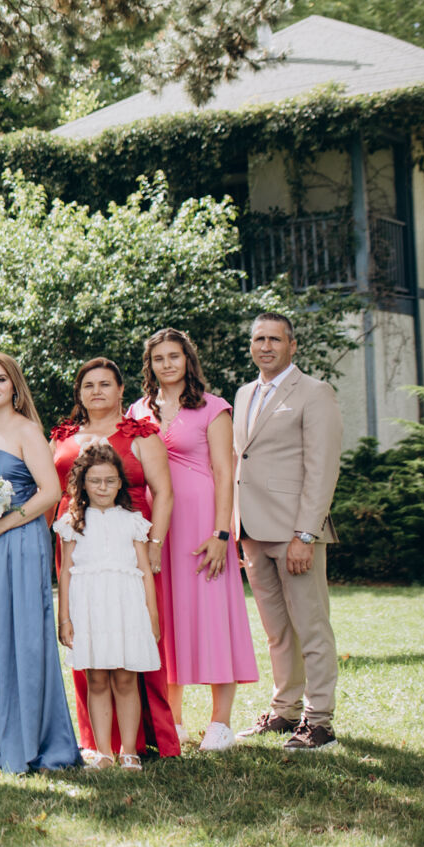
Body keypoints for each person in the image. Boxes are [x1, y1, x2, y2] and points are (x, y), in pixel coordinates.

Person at [130, 328, 257, 753]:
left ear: (188, 360)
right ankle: (174, 720)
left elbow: (225, 473)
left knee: (212, 613)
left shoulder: (212, 408)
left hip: (202, 523)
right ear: (150, 365)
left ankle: (221, 722)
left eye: (174, 356)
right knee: (163, 616)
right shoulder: (137, 410)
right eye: (159, 358)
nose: (167, 364)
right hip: (155, 526)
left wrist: (222, 533)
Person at [49, 357, 179, 761]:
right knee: (87, 638)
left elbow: (164, 492)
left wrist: (155, 544)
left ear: (122, 390)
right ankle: (97, 743)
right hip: (77, 543)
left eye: (105, 384)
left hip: (129, 547)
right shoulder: (64, 437)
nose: (97, 391)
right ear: (79, 393)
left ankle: (144, 740)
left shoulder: (141, 434)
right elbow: (51, 492)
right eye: (88, 385)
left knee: (135, 634)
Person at [0, 352, 80, 773]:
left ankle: (27, 738)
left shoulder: (27, 430)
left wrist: (2, 524)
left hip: (20, 542)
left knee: (21, 639)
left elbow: (50, 492)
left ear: (14, 386)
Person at [233, 313, 343, 750]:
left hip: (294, 532)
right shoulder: (244, 393)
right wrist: (235, 528)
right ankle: (285, 711)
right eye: (259, 339)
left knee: (311, 627)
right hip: (252, 532)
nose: (265, 346)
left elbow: (322, 469)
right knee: (278, 631)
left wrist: (306, 535)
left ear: (292, 345)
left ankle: (320, 722)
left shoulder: (315, 392)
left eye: (274, 339)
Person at [54, 443, 162, 771]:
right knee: (97, 679)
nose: (103, 487)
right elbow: (65, 571)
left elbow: (145, 571)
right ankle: (103, 752)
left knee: (126, 680)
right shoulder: (72, 523)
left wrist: (152, 615)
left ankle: (129, 750)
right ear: (83, 484)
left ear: (120, 484)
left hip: (126, 608)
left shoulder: (133, 521)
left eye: (110, 481)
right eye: (95, 481)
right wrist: (64, 618)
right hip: (88, 609)